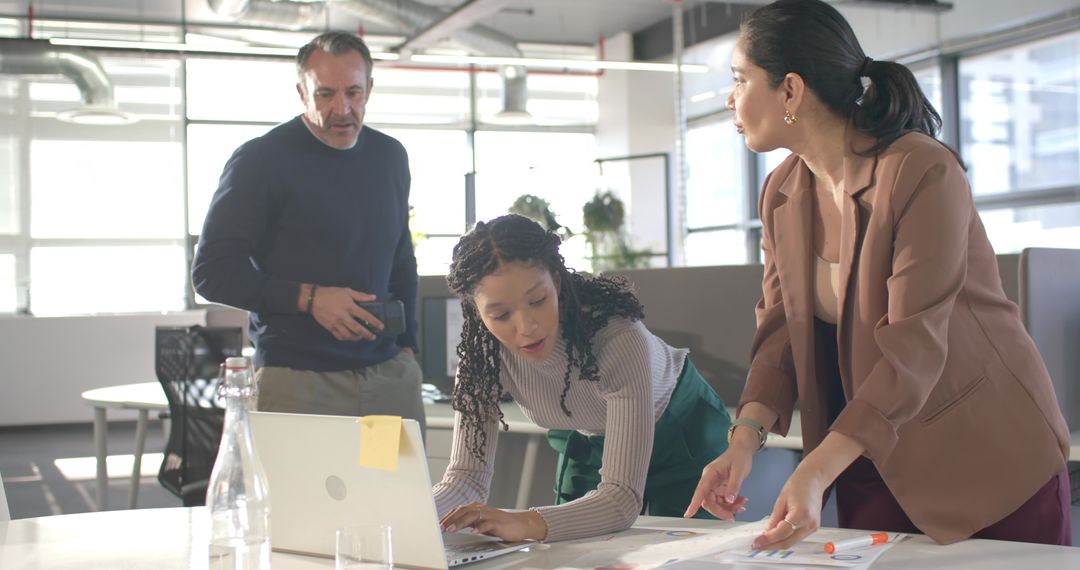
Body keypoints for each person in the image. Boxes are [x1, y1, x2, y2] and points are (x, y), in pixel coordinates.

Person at [685, 0, 1072, 549]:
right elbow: (779, 335)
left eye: (740, 79)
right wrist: (743, 439)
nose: (730, 97)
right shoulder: (781, 192)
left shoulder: (920, 170)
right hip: (866, 457)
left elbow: (912, 347)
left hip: (983, 459)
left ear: (790, 91)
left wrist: (816, 469)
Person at [432, 214, 734, 543]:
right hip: (592, 434)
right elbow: (465, 479)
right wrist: (408, 516)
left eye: (537, 301)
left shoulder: (618, 338)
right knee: (570, 548)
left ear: (557, 284)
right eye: (500, 315)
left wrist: (523, 521)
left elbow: (621, 500)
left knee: (687, 551)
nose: (526, 327)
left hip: (681, 428)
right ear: (478, 312)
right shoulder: (482, 358)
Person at [191, 31, 424, 433]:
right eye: (325, 94)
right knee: (302, 498)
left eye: (353, 92)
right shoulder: (260, 160)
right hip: (298, 381)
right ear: (302, 93)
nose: (342, 109)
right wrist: (310, 298)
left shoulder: (390, 156)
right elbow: (211, 272)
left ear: (370, 87)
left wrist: (410, 348)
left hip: (388, 379)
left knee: (394, 494)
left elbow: (400, 256)